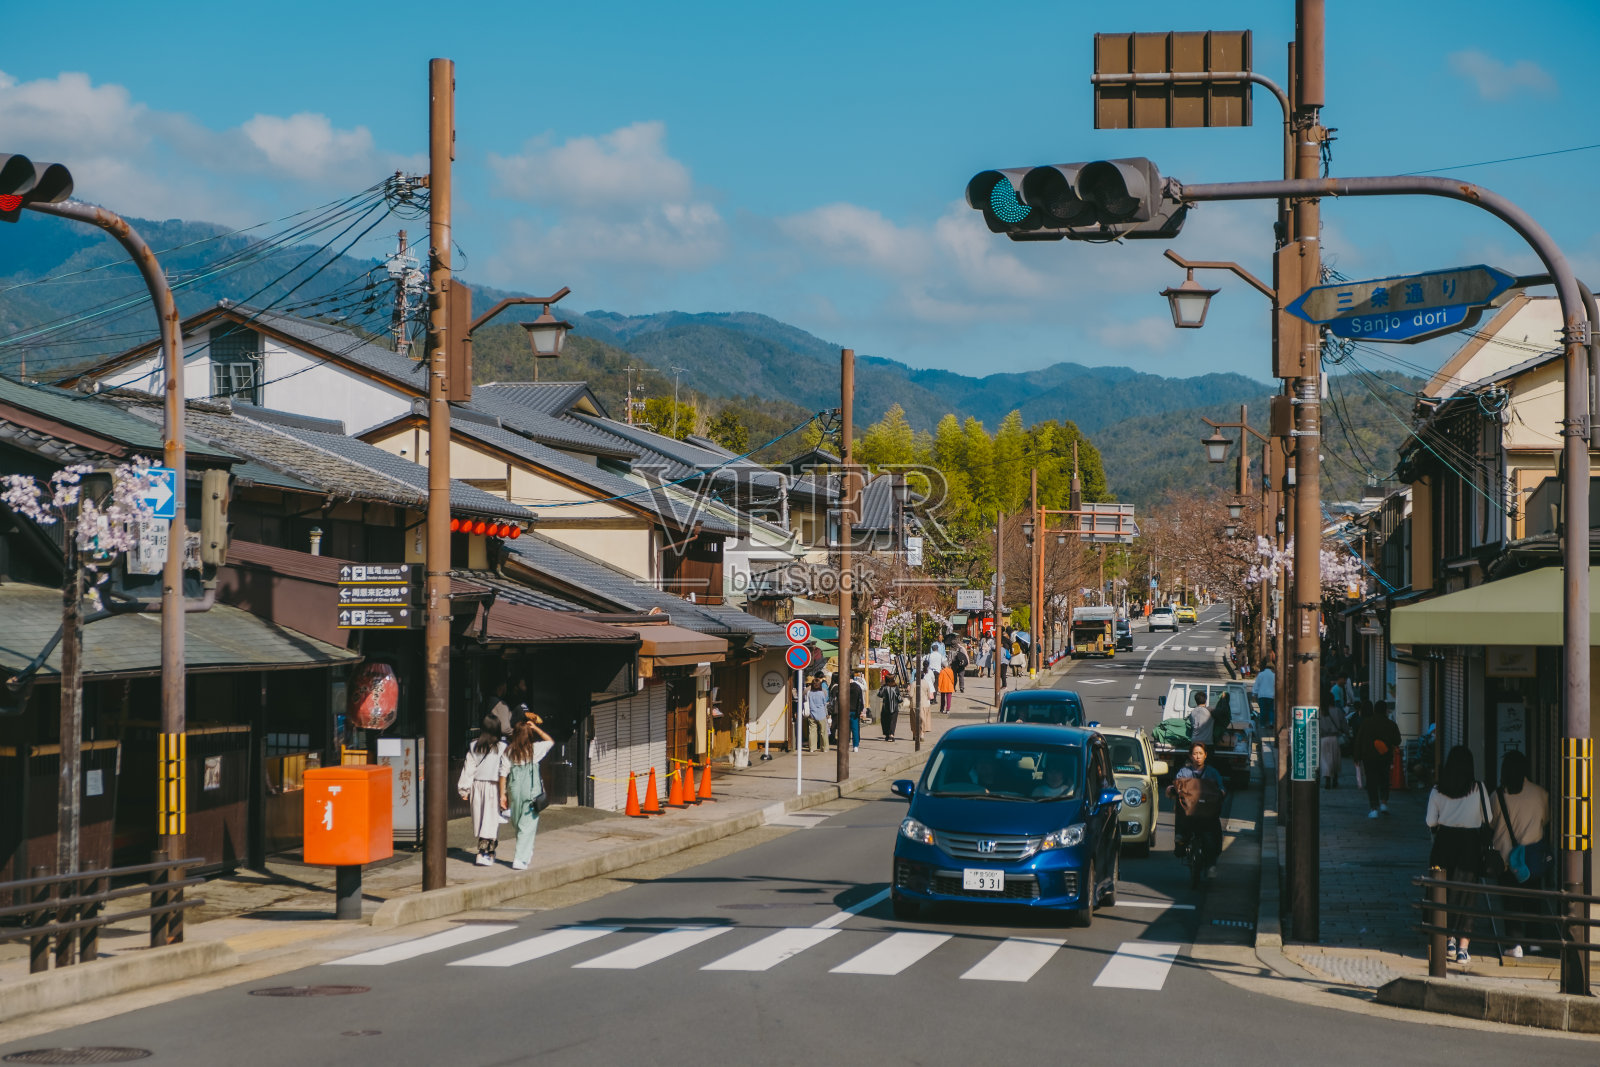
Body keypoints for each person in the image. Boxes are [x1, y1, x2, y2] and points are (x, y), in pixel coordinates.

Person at [1426, 745, 1492, 964]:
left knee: (1443, 892)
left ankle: (1448, 940)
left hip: (1444, 843)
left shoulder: (1438, 789)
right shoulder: (1479, 788)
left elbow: (1430, 822)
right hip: (1469, 846)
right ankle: (1463, 949)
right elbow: (1488, 818)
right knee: (1466, 895)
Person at [1490, 750, 1550, 958]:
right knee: (1534, 900)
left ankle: (1514, 944)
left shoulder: (1497, 796)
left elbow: (1490, 822)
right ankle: (1535, 943)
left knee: (1511, 902)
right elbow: (1545, 820)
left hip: (1507, 860)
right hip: (1532, 858)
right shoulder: (1541, 794)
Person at [499, 716, 554, 870]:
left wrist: (502, 794)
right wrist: (536, 728)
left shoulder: (509, 751)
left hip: (514, 789)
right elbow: (550, 741)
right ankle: (520, 858)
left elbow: (503, 774)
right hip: (531, 790)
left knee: (518, 822)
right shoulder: (534, 749)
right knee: (527, 824)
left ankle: (525, 852)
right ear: (529, 735)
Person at [1166, 743, 1225, 874]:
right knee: (1181, 823)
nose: (1198, 756)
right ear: (1190, 756)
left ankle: (1211, 866)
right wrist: (1171, 790)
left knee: (1212, 837)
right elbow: (1175, 786)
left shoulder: (1212, 772)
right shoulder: (1184, 772)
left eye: (1200, 753)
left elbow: (1221, 788)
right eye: (1195, 753)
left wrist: (1221, 793)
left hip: (1207, 815)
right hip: (1188, 815)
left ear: (1205, 755)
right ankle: (1180, 839)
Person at [457, 716, 508, 866]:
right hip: (494, 786)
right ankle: (484, 852)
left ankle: (487, 852)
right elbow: (505, 769)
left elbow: (468, 769)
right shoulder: (503, 747)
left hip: (476, 786)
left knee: (481, 820)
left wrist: (464, 789)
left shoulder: (474, 745)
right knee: (491, 821)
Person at [1354, 699, 1402, 818]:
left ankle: (1374, 808)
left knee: (1371, 781)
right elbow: (1397, 740)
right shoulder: (1390, 724)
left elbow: (1359, 740)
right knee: (1384, 778)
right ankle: (1384, 803)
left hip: (1368, 757)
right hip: (1385, 756)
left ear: (1375, 710)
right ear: (1385, 711)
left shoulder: (1366, 723)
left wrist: (1357, 756)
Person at [1319, 693, 1346, 790]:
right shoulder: (1337, 711)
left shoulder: (1320, 712)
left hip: (1323, 739)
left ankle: (1327, 779)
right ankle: (1335, 778)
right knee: (1335, 759)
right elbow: (1344, 725)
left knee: (1325, 760)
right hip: (1335, 738)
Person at [804, 674, 829, 753]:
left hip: (812, 714)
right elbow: (824, 704)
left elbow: (806, 701)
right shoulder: (823, 693)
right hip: (821, 713)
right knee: (823, 732)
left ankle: (812, 747)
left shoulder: (809, 693)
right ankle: (824, 747)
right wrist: (827, 714)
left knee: (812, 731)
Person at [1251, 658, 1276, 729]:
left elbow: (1257, 685)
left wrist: (1254, 694)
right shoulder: (1274, 675)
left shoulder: (1261, 674)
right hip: (1271, 695)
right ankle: (1271, 722)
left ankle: (1262, 724)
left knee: (1263, 710)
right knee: (1271, 710)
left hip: (1261, 695)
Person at [878, 674, 902, 741]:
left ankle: (887, 734)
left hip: (886, 707)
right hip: (894, 707)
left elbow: (879, 694)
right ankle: (892, 734)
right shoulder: (896, 687)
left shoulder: (884, 687)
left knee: (885, 721)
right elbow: (899, 697)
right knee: (893, 721)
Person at [848, 671, 866, 751]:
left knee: (845, 728)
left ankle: (845, 743)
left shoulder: (844, 687)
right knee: (855, 729)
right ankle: (855, 746)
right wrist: (861, 710)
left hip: (845, 710)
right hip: (855, 710)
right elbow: (861, 700)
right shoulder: (857, 687)